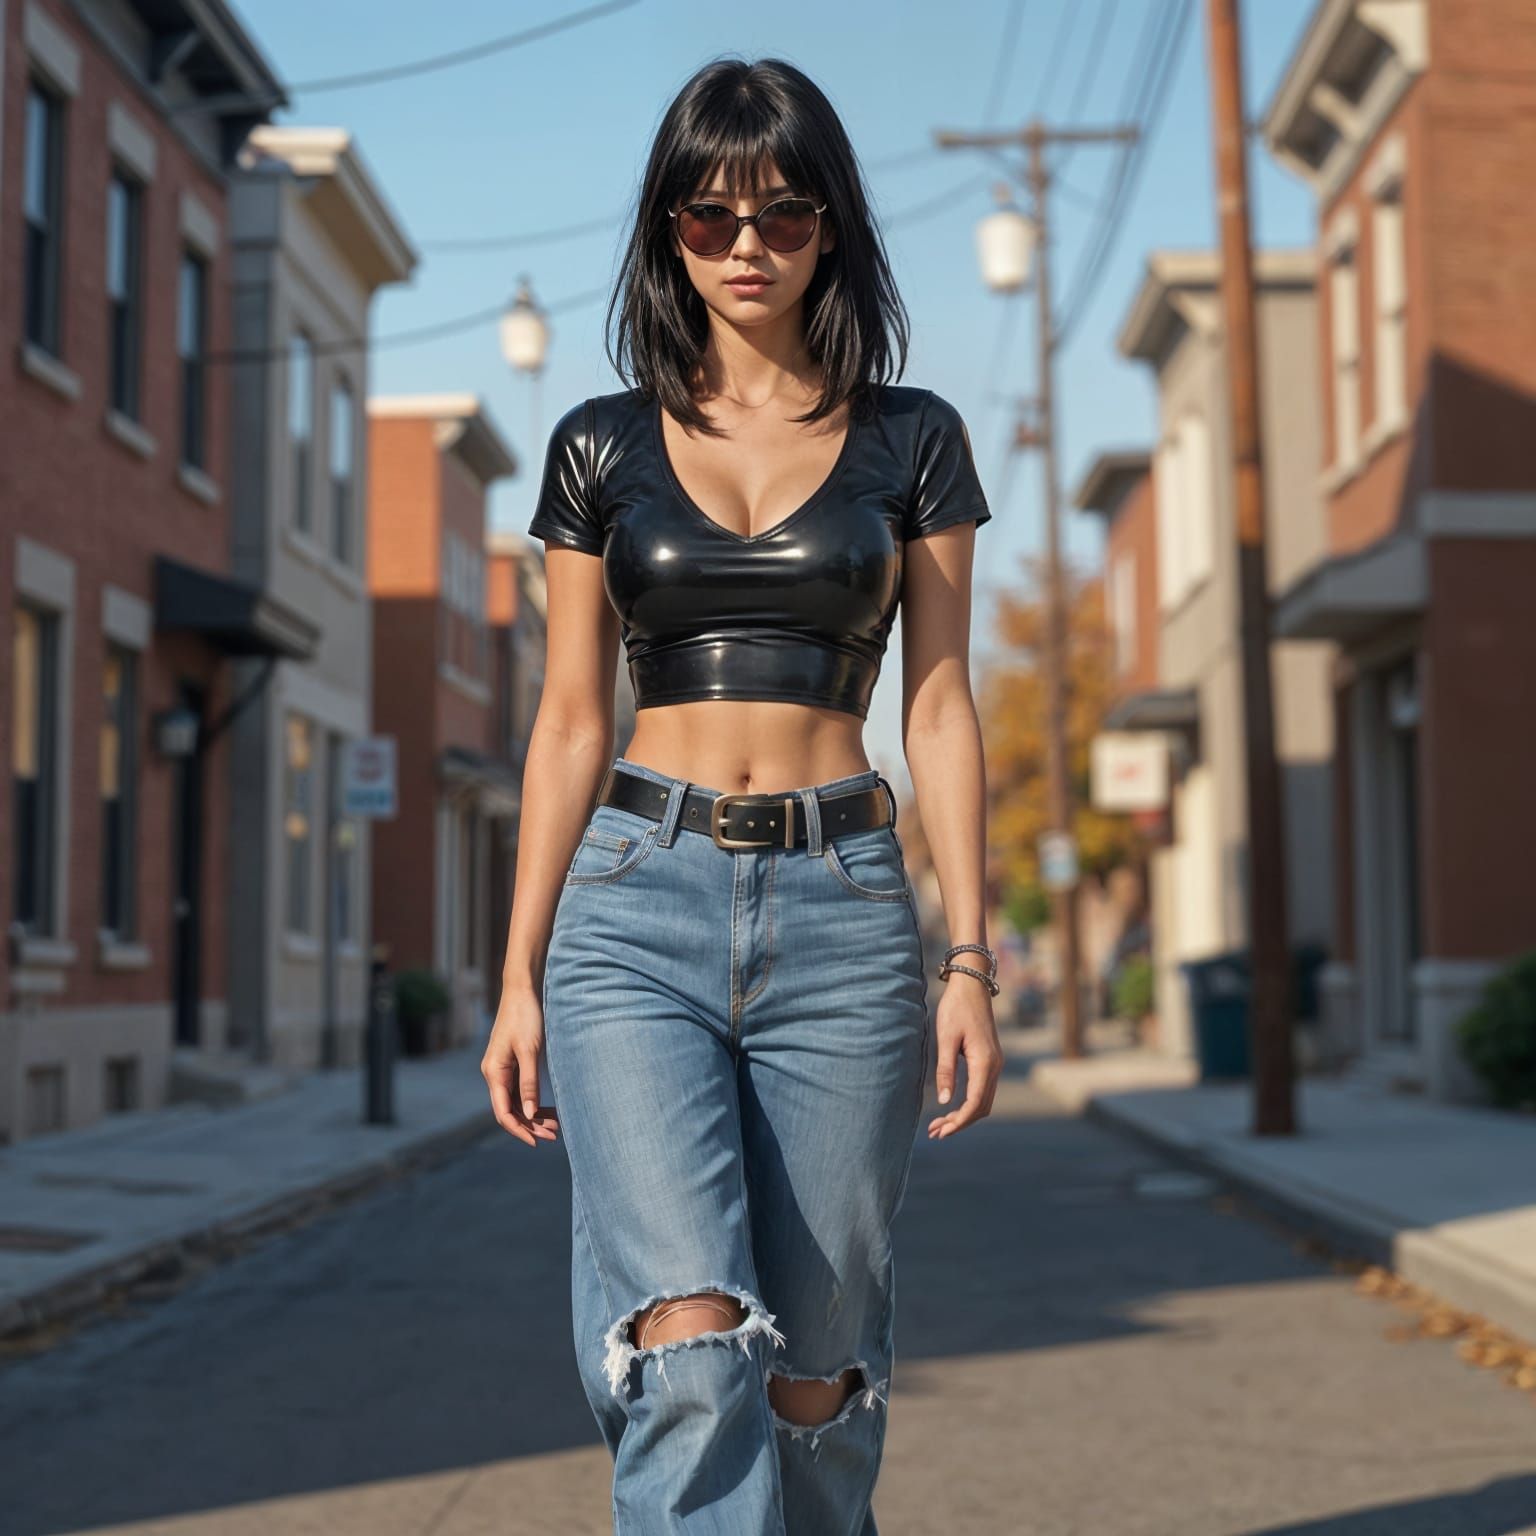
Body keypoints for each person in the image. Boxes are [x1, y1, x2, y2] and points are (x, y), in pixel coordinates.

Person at [483, 54, 1003, 1536]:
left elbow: (945, 705)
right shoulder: (600, 441)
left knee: (813, 1376)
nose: (747, 244)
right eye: (708, 217)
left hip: (844, 915)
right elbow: (571, 722)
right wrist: (517, 973)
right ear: (668, 234)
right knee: (694, 1349)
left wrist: (969, 954)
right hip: (635, 906)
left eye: (781, 210)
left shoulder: (917, 441)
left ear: (830, 223)